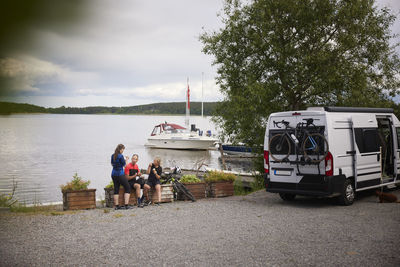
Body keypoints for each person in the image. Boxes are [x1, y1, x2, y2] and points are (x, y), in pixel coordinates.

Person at [111, 144, 133, 210]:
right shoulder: (120, 156)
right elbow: (125, 166)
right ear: (120, 149)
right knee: (128, 187)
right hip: (120, 174)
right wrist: (126, 159)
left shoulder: (113, 155)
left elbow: (112, 164)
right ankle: (126, 205)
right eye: (123, 149)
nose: (123, 151)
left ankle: (117, 206)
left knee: (116, 189)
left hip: (113, 174)